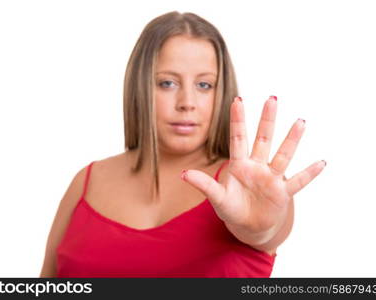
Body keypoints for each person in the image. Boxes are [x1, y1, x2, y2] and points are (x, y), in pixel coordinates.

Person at [39, 11, 326, 278]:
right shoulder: (86, 181)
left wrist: (262, 229)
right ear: (140, 86)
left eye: (204, 85)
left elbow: (267, 229)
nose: (187, 103)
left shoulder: (249, 186)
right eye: (167, 83)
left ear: (221, 90)